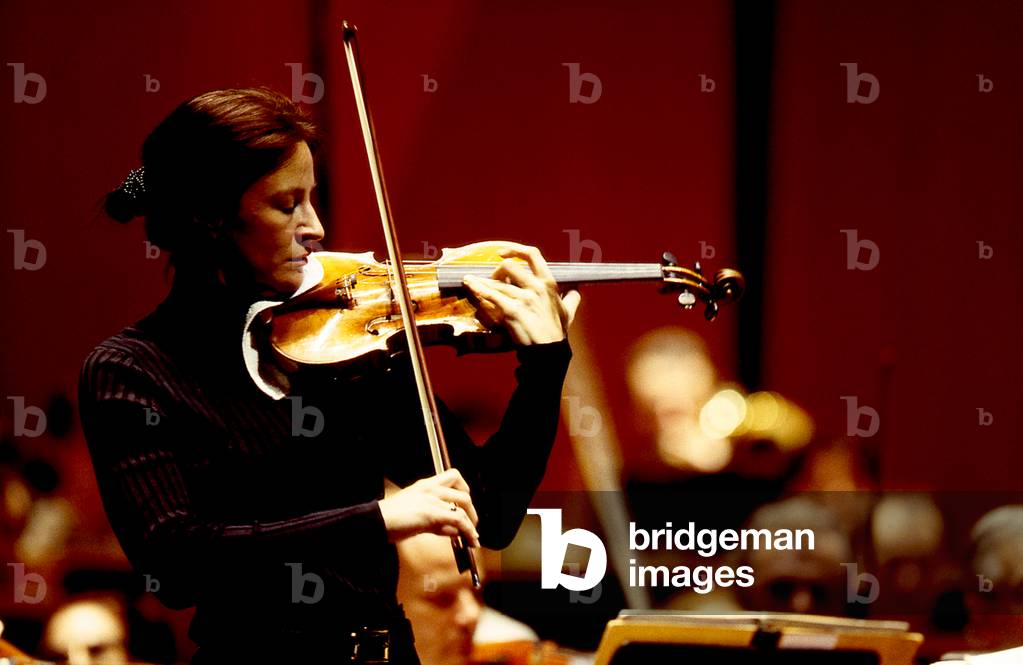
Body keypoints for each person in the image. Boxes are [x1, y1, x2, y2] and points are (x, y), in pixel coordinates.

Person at [78, 87, 579, 664]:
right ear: (210, 218)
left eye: (312, 199)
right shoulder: (132, 371)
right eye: (286, 204)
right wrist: (378, 518)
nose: (314, 226)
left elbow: (490, 513)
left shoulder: (344, 349)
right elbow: (178, 561)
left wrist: (543, 367)